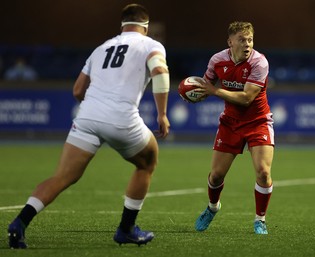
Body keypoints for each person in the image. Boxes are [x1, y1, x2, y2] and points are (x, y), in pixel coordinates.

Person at [7, 3, 170, 248]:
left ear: (122, 25)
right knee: (147, 162)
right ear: (145, 27)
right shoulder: (151, 45)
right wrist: (162, 114)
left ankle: (19, 223)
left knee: (62, 177)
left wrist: (96, 108)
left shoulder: (101, 48)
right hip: (121, 118)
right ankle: (126, 229)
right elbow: (160, 71)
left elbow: (77, 90)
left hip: (87, 117)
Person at [193, 21, 274, 235]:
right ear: (230, 42)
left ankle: (260, 220)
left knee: (263, 172)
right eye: (242, 40)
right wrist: (194, 93)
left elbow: (247, 98)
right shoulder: (217, 60)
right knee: (216, 176)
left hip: (258, 121)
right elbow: (205, 84)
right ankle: (212, 208)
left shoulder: (260, 63)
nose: (247, 44)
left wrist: (214, 91)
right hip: (230, 123)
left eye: (250, 40)